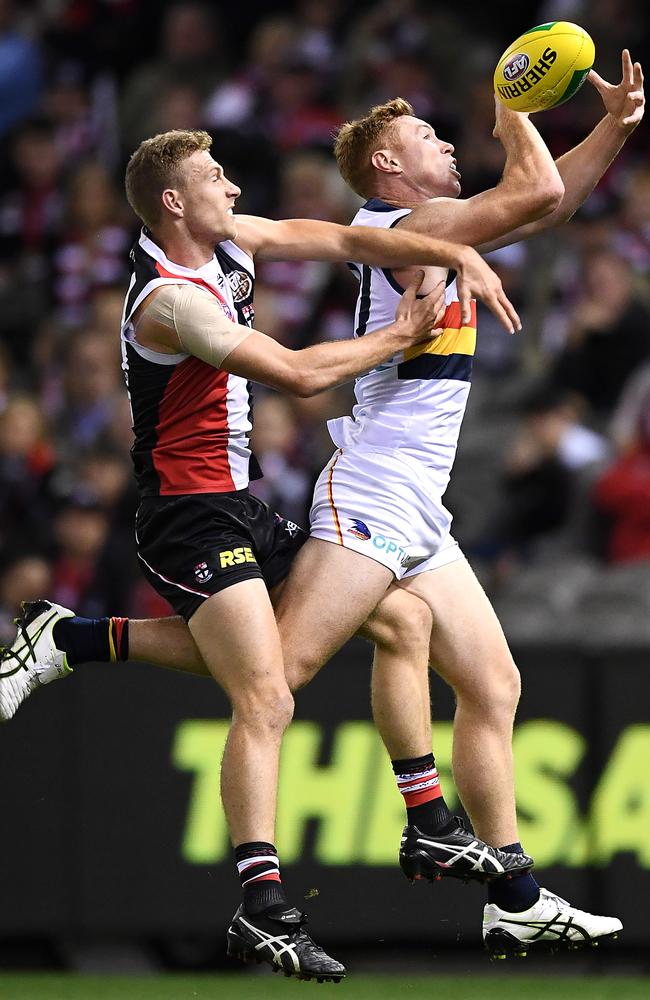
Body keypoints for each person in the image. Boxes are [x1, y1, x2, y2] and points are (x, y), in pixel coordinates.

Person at [6, 49, 643, 962]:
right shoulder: (404, 219)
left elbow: (544, 203)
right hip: (355, 485)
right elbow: (536, 197)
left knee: (487, 679)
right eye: (425, 135)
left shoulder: (402, 227)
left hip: (406, 498)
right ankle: (316, 864)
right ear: (390, 165)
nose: (443, 143)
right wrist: (513, 107)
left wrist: (611, 129)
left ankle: (510, 889)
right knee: (275, 681)